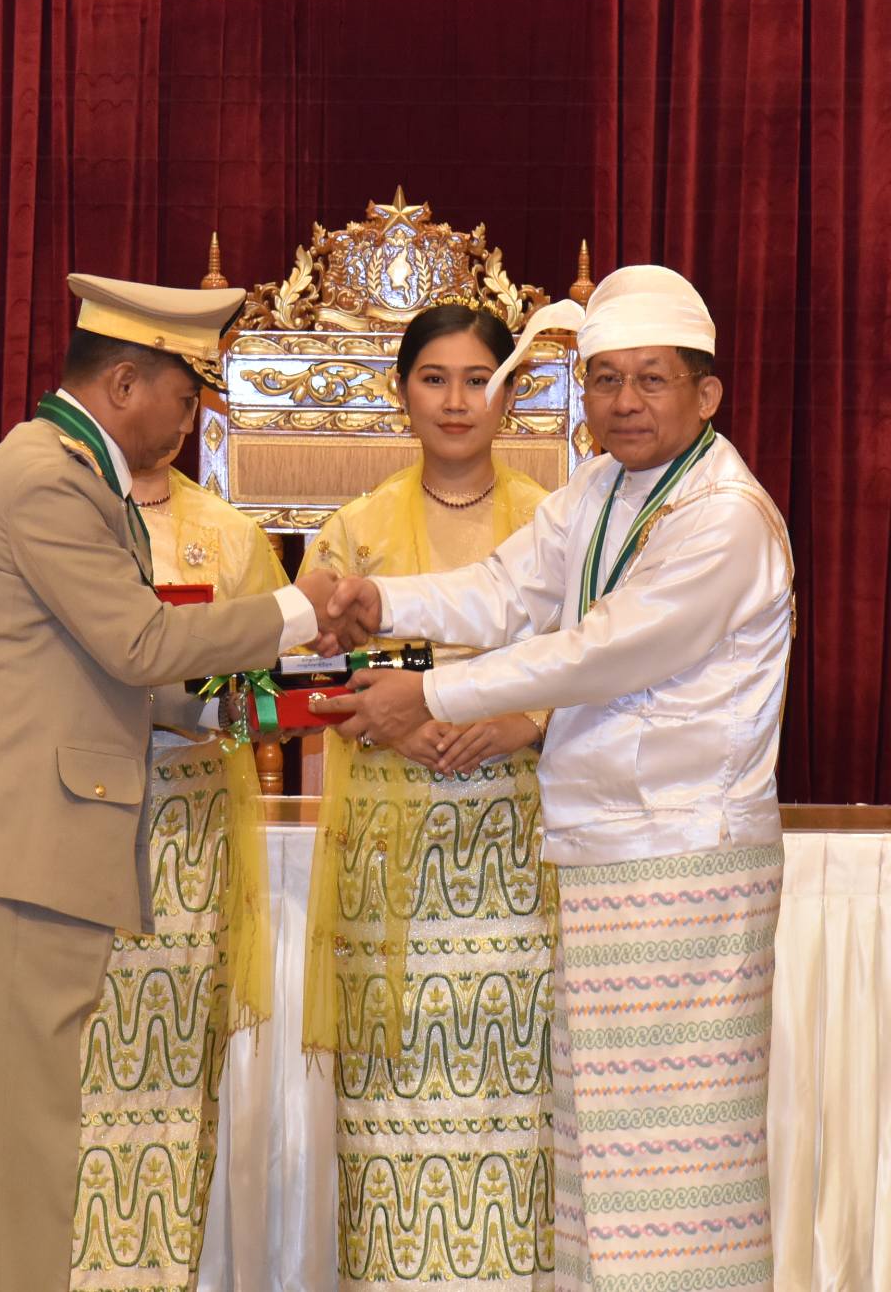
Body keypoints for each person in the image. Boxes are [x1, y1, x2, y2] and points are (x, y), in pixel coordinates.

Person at [313, 267, 795, 1292]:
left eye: (651, 379)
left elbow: (595, 653)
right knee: (596, 1159)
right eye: (605, 379)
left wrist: (429, 694)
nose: (623, 401)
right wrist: (381, 599)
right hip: (599, 852)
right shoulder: (602, 490)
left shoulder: (723, 516)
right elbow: (505, 589)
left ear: (707, 394)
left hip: (683, 860)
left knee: (673, 1167)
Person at [0, 273, 338, 1292]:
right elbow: (139, 644)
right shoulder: (51, 479)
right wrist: (300, 611)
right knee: (21, 1142)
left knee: (0, 1131)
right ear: (126, 382)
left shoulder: (71, 471)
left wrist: (242, 709)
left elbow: (117, 671)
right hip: (27, 839)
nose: (190, 422)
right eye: (185, 397)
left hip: (22, 836)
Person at [299, 301, 557, 1288]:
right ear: (399, 393)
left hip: (514, 854)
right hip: (389, 858)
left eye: (478, 380)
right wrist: (397, 721)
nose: (456, 401)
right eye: (434, 379)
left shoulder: (553, 523)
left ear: (510, 394)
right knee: (393, 1096)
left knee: (511, 1092)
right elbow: (308, 674)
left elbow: (597, 664)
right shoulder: (354, 531)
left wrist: (515, 721)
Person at [71, 444, 288, 1289]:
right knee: (66, 1069)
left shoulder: (228, 533)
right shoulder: (58, 510)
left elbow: (272, 698)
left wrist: (210, 707)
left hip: (189, 830)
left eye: (186, 392)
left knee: (173, 1078)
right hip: (71, 818)